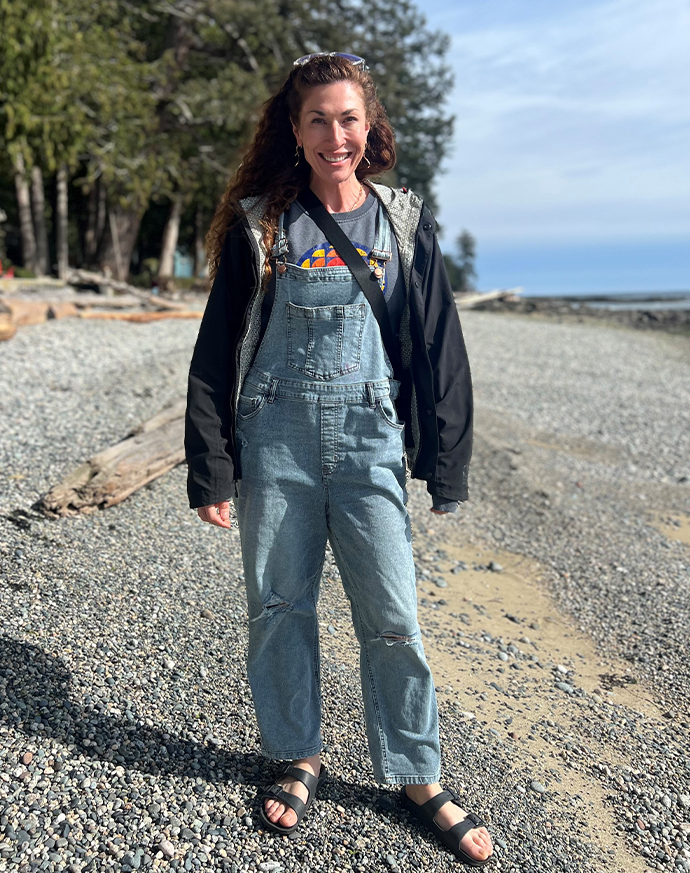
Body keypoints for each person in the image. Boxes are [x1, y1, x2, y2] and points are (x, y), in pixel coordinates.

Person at [185, 53, 493, 866]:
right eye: (317, 119)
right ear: (295, 130)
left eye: (348, 118)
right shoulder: (261, 223)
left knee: (393, 615)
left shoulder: (400, 221)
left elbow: (438, 346)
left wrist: (445, 458)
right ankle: (298, 755)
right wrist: (210, 464)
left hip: (369, 443)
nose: (335, 135)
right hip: (273, 440)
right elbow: (218, 350)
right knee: (279, 606)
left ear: (370, 125)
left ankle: (416, 772)